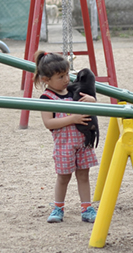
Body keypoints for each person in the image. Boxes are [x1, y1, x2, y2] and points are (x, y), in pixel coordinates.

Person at [34, 51, 98, 224]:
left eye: (67, 74)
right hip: (64, 145)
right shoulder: (47, 98)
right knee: (63, 177)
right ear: (46, 80)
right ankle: (58, 207)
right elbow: (49, 123)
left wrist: (92, 101)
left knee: (84, 175)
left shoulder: (74, 91)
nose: (66, 80)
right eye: (60, 76)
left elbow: (93, 109)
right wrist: (73, 118)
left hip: (83, 143)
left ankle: (86, 208)